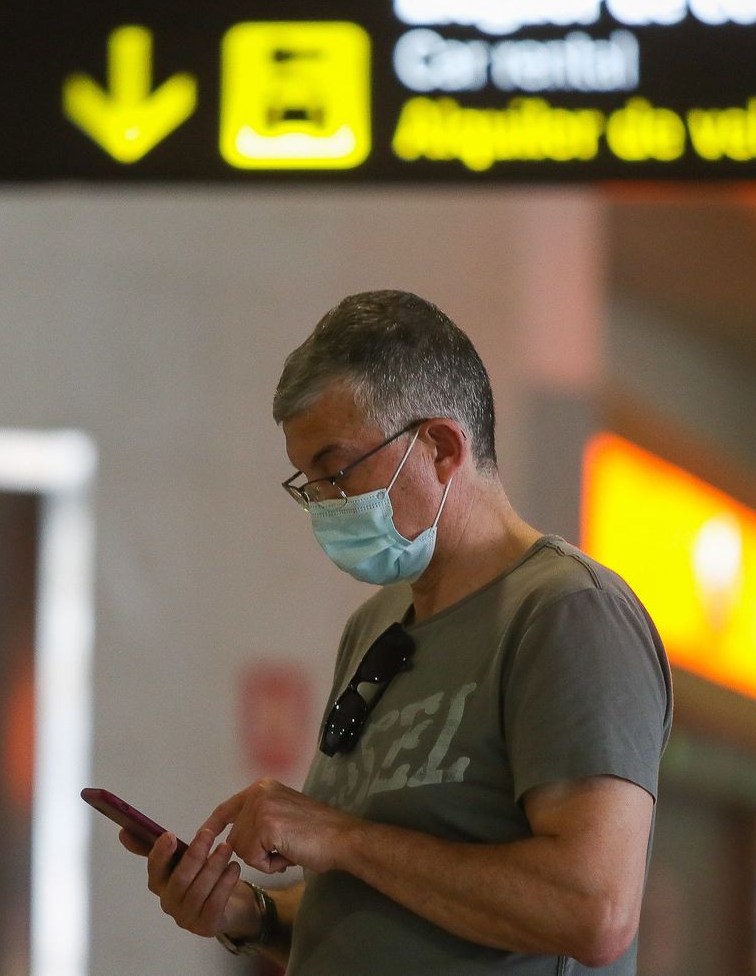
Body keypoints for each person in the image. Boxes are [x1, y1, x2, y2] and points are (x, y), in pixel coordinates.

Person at [119, 290, 672, 973]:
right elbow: (371, 913)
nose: (324, 504)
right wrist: (248, 915)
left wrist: (343, 838)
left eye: (337, 469)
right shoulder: (376, 626)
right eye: (308, 482)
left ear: (440, 446)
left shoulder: (566, 614)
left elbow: (594, 912)